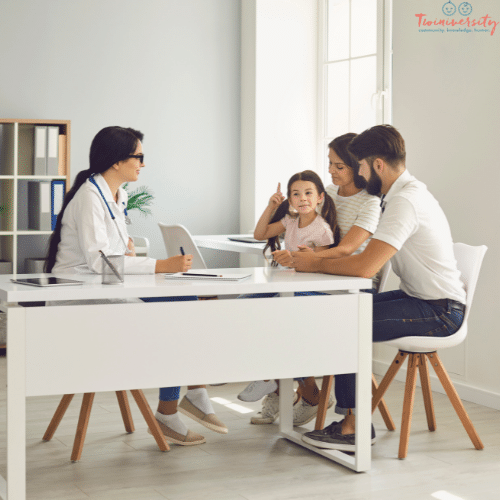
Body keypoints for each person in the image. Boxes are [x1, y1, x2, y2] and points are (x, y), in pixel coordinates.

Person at [274, 124, 466, 451]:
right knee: (342, 314)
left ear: (377, 164)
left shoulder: (406, 201)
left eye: (360, 165)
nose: (359, 174)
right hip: (420, 298)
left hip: (441, 311)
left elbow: (365, 267)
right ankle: (334, 408)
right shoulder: (402, 196)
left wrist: (315, 262)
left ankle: (353, 427)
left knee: (348, 323)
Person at [45, 126, 227, 446]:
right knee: (172, 317)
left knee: (185, 301)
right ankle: (177, 407)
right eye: (138, 156)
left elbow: (111, 253)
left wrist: (126, 245)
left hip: (106, 288)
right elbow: (100, 263)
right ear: (117, 161)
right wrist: (160, 265)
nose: (143, 163)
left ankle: (189, 397)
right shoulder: (89, 197)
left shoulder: (119, 194)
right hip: (80, 301)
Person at [245, 134, 381, 427]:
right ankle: (287, 385)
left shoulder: (370, 203)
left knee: (281, 309)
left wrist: (307, 258)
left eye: (339, 166)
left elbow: (345, 248)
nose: (331, 171)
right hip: (317, 279)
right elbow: (294, 224)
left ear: (359, 166)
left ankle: (295, 388)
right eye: (330, 164)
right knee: (254, 303)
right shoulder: (325, 192)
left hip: (348, 286)